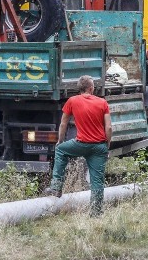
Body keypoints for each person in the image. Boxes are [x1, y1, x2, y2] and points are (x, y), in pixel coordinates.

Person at [44, 75, 112, 216]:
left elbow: (63, 123)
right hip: (99, 146)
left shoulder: (72, 101)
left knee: (61, 150)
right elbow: (109, 127)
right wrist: (107, 144)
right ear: (91, 88)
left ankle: (56, 187)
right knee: (97, 181)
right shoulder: (102, 102)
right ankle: (96, 213)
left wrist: (60, 141)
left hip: (81, 144)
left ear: (79, 88)